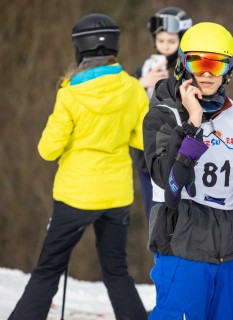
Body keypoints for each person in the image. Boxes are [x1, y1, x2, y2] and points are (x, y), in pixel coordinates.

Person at [142, 22, 233, 319]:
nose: (207, 73)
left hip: (229, 256)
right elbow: (169, 182)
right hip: (182, 250)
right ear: (183, 64)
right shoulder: (163, 114)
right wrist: (193, 124)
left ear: (228, 70)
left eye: (216, 64)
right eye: (198, 62)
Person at [8, 13, 149, 320]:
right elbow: (141, 139)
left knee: (49, 269)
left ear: (79, 49)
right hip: (117, 196)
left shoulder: (70, 94)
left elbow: (48, 150)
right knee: (116, 271)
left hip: (76, 195)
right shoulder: (133, 89)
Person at [132, 7, 192, 222]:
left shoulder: (187, 70)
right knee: (154, 212)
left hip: (177, 147)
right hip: (145, 151)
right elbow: (124, 98)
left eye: (171, 41)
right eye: (161, 41)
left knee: (182, 207)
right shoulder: (144, 69)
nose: (165, 46)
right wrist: (141, 83)